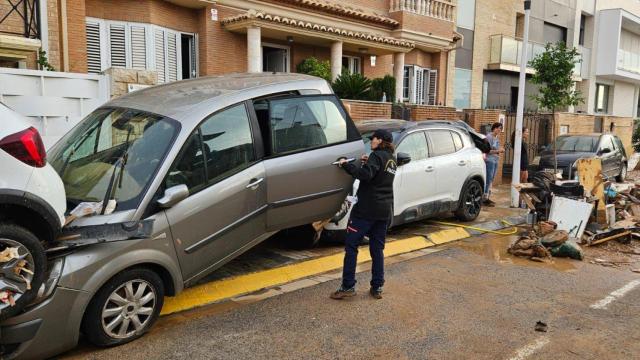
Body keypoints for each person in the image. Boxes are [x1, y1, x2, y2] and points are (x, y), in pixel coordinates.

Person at [331, 129, 397, 300]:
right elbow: (377, 173)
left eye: (373, 139)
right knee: (377, 249)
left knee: (351, 246)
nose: (371, 142)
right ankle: (377, 287)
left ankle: (348, 286)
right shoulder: (391, 159)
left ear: (379, 140)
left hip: (366, 211)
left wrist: (346, 165)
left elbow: (366, 175)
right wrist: (368, 162)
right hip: (383, 211)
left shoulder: (376, 156)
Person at [484, 122, 504, 207]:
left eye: (500, 128)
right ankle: (484, 197)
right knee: (488, 179)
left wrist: (499, 150)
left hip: (495, 160)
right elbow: (487, 150)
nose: (499, 130)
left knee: (491, 179)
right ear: (494, 128)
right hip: (489, 160)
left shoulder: (496, 138)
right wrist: (498, 151)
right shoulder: (489, 137)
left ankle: (488, 197)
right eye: (498, 128)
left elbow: (496, 148)